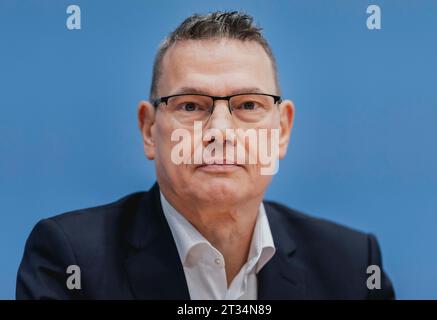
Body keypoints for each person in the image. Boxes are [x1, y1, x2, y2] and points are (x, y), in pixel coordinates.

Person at [16, 11, 394, 300]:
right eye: (191, 106)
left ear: (282, 130)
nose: (220, 131)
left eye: (248, 104)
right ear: (149, 130)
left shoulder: (351, 266)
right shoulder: (70, 259)